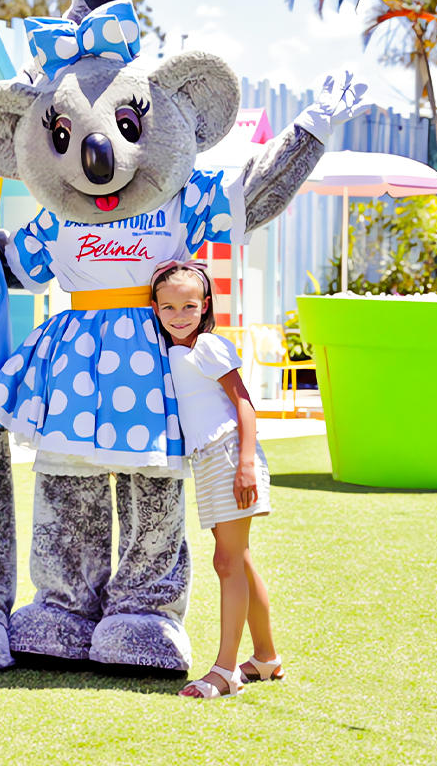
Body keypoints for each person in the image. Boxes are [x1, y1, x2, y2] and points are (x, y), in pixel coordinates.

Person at [149, 261, 281, 699]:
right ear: (155, 309)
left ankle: (226, 670)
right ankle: (265, 658)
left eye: (189, 305)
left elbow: (243, 404)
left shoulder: (207, 345)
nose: (179, 315)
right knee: (237, 559)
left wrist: (246, 463)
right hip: (207, 459)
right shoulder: (170, 350)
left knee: (227, 562)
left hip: (228, 454)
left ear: (204, 305)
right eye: (168, 307)